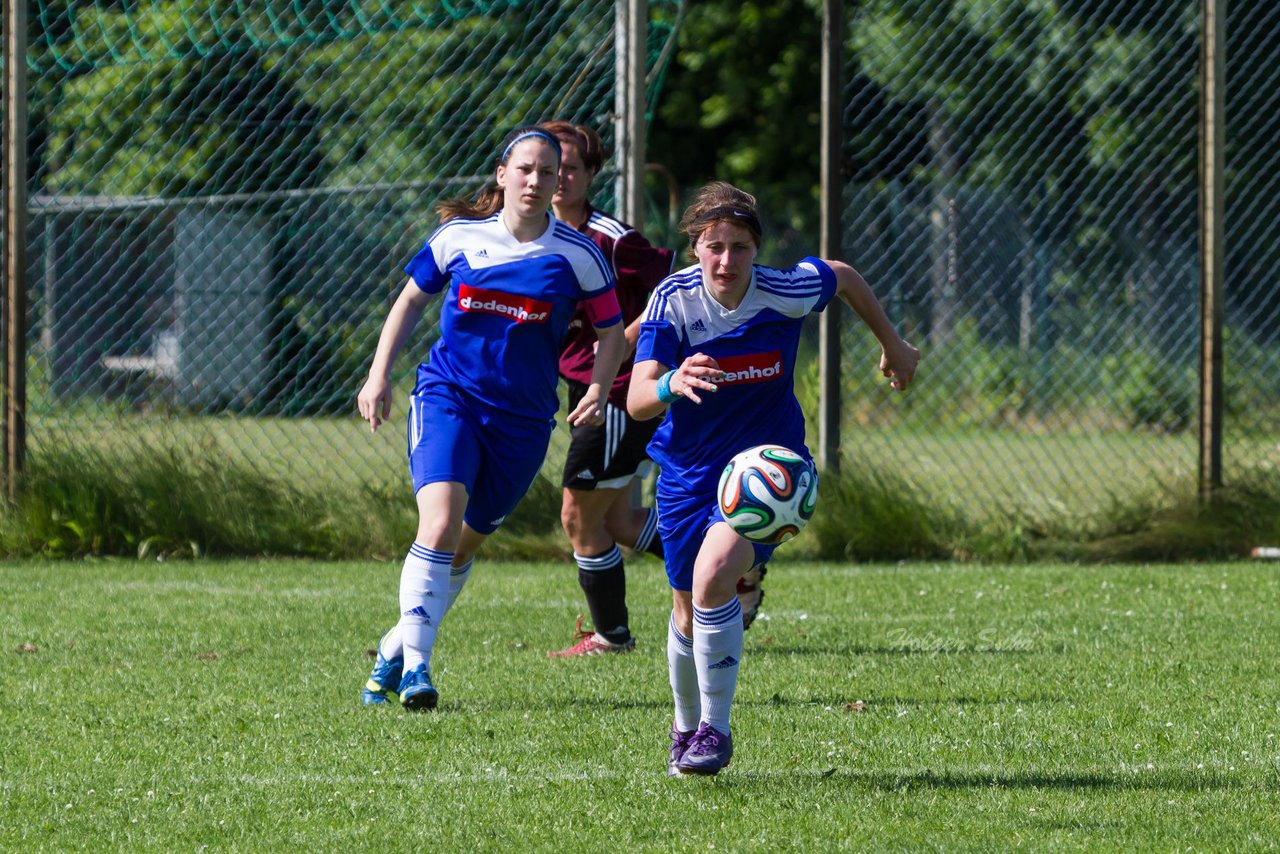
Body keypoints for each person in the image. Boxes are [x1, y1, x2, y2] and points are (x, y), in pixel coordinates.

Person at [628, 181, 920, 775]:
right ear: (694, 250)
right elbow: (636, 399)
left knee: (713, 580)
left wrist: (892, 342)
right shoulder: (673, 302)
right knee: (685, 605)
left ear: (757, 250)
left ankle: (715, 729)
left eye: (739, 246)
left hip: (768, 472)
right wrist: (669, 384)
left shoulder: (783, 292)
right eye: (714, 246)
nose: (727, 260)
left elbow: (840, 274)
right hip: (686, 472)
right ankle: (684, 727)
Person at [356, 125, 627, 711]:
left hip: (524, 424)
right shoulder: (459, 238)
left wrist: (600, 386)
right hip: (447, 398)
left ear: (560, 184)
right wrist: (379, 375)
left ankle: (393, 649)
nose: (535, 180)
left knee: (459, 550)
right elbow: (408, 300)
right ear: (502, 175)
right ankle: (419, 671)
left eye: (548, 172)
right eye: (524, 169)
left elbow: (611, 331)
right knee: (439, 525)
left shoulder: (579, 256)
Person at [541, 120, 674, 657]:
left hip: (620, 388)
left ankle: (611, 637)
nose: (560, 178)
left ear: (591, 174)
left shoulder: (611, 239)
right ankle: (737, 567)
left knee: (578, 516)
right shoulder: (532, 236)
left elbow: (668, 287)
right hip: (584, 389)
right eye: (553, 167)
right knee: (615, 521)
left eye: (572, 167)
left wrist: (622, 338)